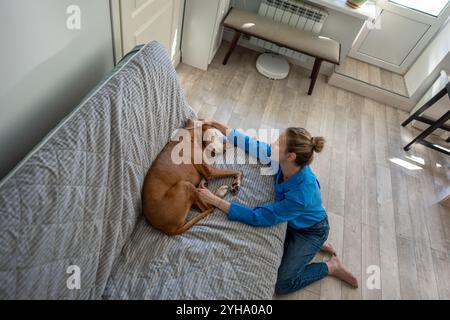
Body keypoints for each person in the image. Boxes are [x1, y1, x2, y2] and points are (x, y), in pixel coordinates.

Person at [197, 122, 358, 294]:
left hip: (311, 231)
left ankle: (331, 266)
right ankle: (316, 247)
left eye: (278, 143)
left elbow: (258, 217)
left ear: (291, 156)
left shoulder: (302, 193)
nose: (272, 143)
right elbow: (252, 144)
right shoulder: (281, 161)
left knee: (282, 284)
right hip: (294, 220)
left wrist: (215, 200)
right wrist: (215, 124)